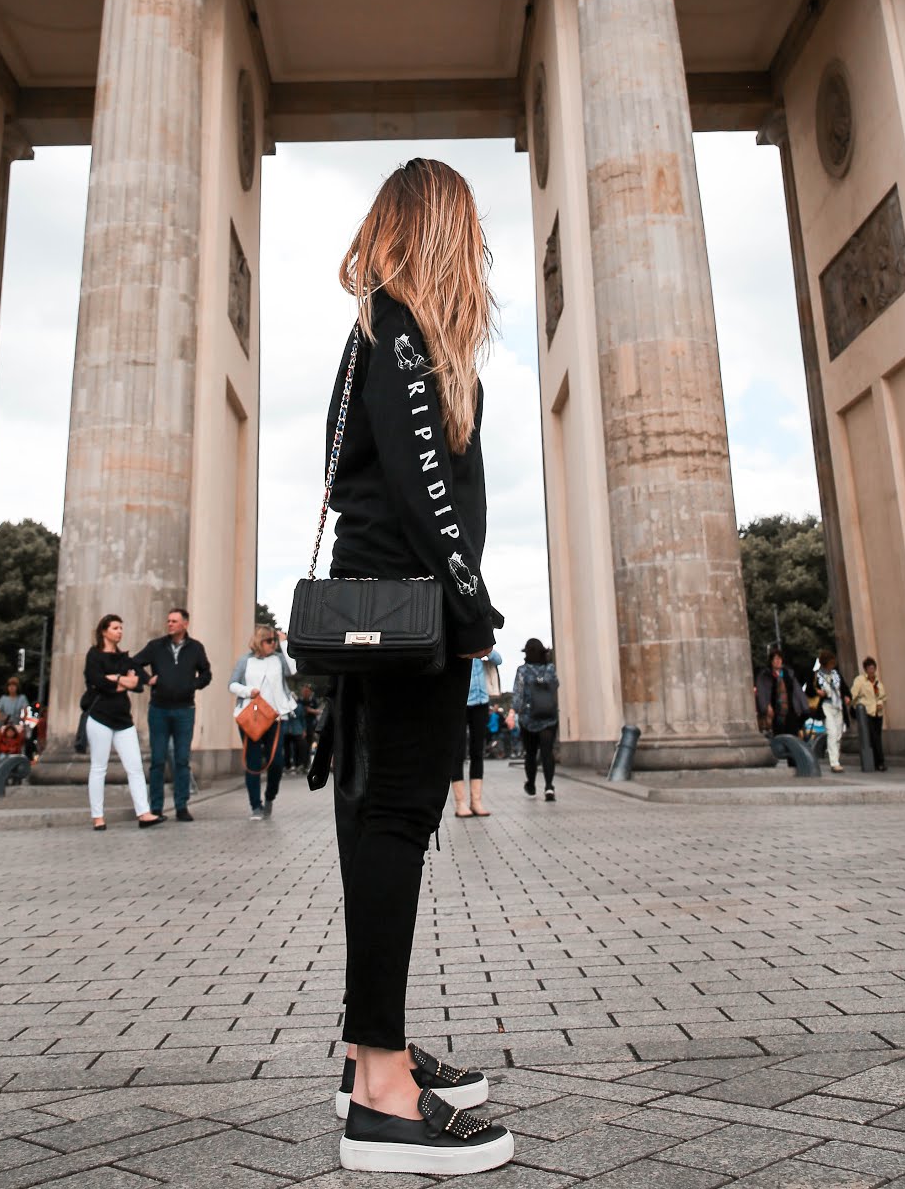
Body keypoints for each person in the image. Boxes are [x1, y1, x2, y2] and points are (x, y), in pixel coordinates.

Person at [326, 158, 514, 1175]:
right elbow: (423, 490)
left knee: (377, 822)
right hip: (407, 619)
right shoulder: (401, 333)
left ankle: (371, 1049)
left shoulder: (374, 331)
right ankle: (384, 1095)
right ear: (443, 229)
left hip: (379, 618)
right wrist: (472, 604)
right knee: (394, 821)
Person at [82, 614, 161, 831]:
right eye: (115, 628)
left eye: (121, 628)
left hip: (123, 719)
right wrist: (122, 680)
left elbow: (137, 684)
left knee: (135, 767)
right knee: (99, 768)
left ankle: (144, 813)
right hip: (99, 717)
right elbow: (96, 683)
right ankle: (97, 817)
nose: (120, 631)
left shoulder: (124, 658)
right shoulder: (94, 655)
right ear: (104, 631)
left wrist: (115, 679)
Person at [134, 606, 212, 821]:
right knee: (157, 760)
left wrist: (192, 684)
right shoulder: (156, 646)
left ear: (185, 624)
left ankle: (181, 806)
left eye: (174, 621)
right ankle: (156, 807)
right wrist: (146, 679)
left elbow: (206, 673)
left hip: (184, 710)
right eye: (168, 621)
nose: (170, 624)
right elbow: (134, 663)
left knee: (181, 759)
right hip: (159, 709)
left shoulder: (195, 648)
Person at [229, 622, 297, 818]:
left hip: (276, 717)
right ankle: (255, 806)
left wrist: (285, 644)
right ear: (259, 641)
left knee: (276, 762)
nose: (272, 644)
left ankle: (270, 796)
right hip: (252, 717)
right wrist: (247, 691)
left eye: (274, 641)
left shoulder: (278, 659)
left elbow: (293, 670)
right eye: (269, 641)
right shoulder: (245, 661)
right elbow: (232, 684)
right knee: (253, 761)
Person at [451, 649, 501, 818]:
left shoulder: (480, 643)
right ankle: (460, 803)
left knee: (477, 751)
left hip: (481, 701)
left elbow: (498, 659)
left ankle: (476, 801)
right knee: (458, 753)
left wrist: (486, 648)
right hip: (460, 700)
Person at [512, 637, 560, 802]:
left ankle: (531, 785)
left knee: (530, 754)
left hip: (528, 718)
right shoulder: (551, 669)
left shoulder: (522, 671)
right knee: (547, 753)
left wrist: (516, 711)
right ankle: (549, 787)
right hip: (549, 717)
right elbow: (556, 687)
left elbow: (518, 695)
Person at [810, 650, 848, 772]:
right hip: (826, 706)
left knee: (838, 734)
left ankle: (836, 757)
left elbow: (844, 688)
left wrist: (847, 696)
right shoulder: (817, 676)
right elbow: (809, 690)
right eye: (830, 664)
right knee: (831, 732)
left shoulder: (836, 675)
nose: (832, 666)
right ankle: (834, 762)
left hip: (838, 706)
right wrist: (817, 692)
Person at [756, 650, 807, 737]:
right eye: (775, 659)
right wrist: (766, 706)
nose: (778, 661)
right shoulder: (765, 675)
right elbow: (762, 692)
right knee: (779, 734)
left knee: (792, 734)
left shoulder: (789, 674)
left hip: (790, 709)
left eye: (779, 659)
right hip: (775, 710)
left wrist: (803, 706)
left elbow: (797, 691)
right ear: (771, 661)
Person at [850, 656, 887, 771]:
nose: (872, 670)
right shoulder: (860, 681)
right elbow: (854, 694)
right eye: (869, 668)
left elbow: (882, 696)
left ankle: (877, 761)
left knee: (877, 737)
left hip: (877, 713)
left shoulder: (877, 682)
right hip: (866, 712)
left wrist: (880, 702)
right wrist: (856, 706)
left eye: (873, 668)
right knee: (872, 737)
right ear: (865, 669)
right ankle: (879, 762)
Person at [0, 676, 30, 755]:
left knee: (20, 742)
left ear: (17, 687)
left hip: (16, 725)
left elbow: (25, 712)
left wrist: (23, 718)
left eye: (14, 685)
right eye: (10, 686)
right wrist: (3, 718)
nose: (12, 688)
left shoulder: (22, 698)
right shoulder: (3, 698)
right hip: (5, 725)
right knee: (0, 741)